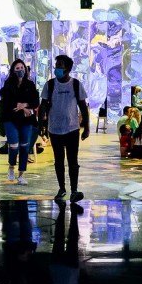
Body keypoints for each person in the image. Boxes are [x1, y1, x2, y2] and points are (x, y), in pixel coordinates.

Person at [39, 54, 90, 202]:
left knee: (73, 161)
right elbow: (43, 106)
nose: (57, 69)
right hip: (55, 130)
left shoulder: (76, 85)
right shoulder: (50, 85)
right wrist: (41, 126)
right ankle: (62, 188)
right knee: (59, 161)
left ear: (68, 68)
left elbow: (83, 107)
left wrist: (86, 128)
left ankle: (74, 190)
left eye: (60, 66)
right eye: (56, 66)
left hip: (72, 129)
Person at [0, 58, 38, 185]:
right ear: (13, 70)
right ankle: (11, 166)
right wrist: (20, 106)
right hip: (11, 118)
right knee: (14, 145)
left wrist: (25, 105)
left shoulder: (30, 85)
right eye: (17, 68)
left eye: (22, 68)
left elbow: (35, 101)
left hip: (26, 120)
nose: (20, 70)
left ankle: (21, 174)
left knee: (25, 145)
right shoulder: (8, 85)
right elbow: (7, 101)